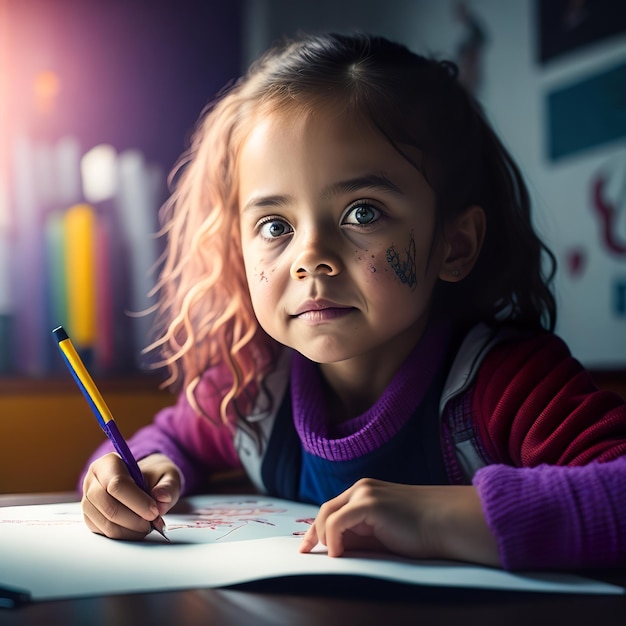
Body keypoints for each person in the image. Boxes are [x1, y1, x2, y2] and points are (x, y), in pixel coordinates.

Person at [80, 32, 626, 571]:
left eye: (363, 212)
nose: (310, 257)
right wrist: (130, 473)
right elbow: (168, 439)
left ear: (454, 244)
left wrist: (442, 519)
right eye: (275, 225)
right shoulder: (249, 394)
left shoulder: (504, 383)